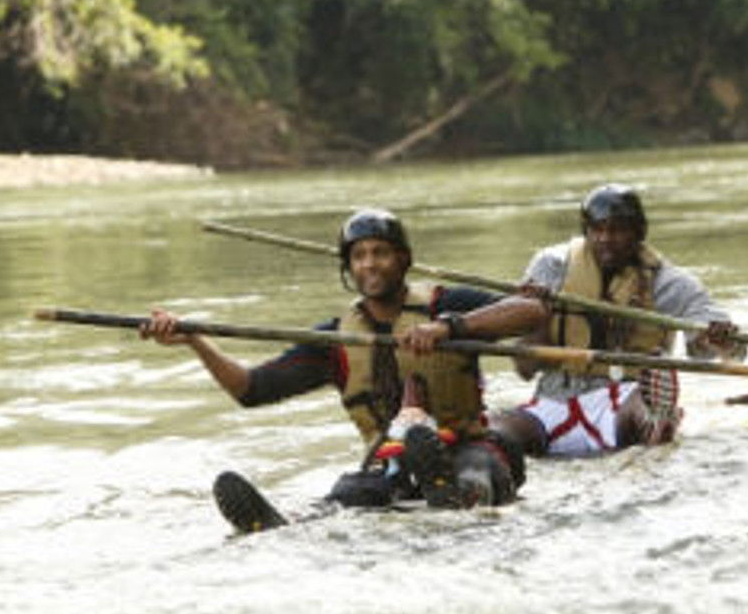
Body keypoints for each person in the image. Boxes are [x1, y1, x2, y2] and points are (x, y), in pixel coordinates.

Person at [140, 208, 547, 531]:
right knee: (348, 496)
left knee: (476, 472)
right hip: (389, 463)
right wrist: (196, 341)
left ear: (403, 260)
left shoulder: (446, 304)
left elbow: (531, 311)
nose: (370, 264)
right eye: (359, 256)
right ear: (349, 268)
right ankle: (285, 525)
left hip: (467, 448)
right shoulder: (336, 340)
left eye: (380, 253)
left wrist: (449, 327)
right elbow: (251, 389)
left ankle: (457, 497)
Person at [491, 183, 747, 457]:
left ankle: (656, 422)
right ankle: (488, 455)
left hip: (625, 401)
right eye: (597, 229)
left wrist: (717, 340)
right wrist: (538, 314)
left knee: (642, 405)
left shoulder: (669, 283)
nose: (605, 238)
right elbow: (525, 370)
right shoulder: (551, 267)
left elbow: (733, 351)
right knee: (498, 432)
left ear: (639, 233)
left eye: (618, 230)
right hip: (553, 401)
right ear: (586, 231)